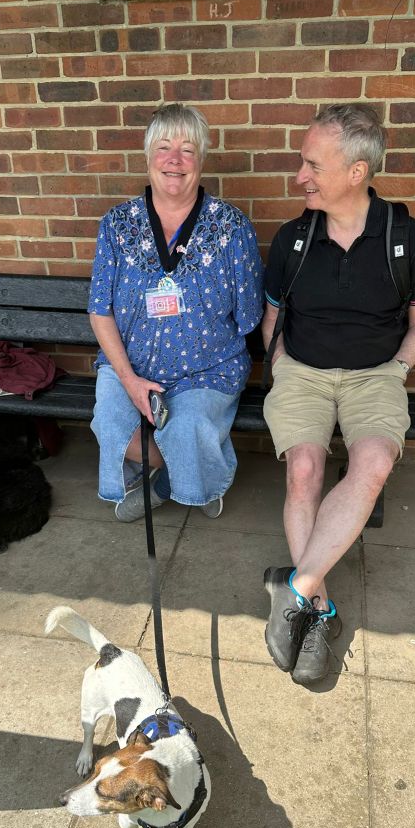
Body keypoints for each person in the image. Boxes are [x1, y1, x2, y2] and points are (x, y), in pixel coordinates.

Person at [261, 103, 415, 686]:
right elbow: (272, 317)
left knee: (373, 462)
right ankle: (319, 610)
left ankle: (296, 594)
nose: (300, 176)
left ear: (357, 171)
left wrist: (395, 370)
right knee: (305, 469)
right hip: (303, 373)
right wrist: (283, 362)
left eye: (313, 163)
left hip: (374, 377)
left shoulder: (405, 238)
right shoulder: (294, 239)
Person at [88, 103, 264, 522]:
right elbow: (100, 310)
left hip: (207, 367)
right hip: (128, 363)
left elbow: (248, 316)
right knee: (113, 429)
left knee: (185, 428)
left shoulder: (232, 226)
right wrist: (130, 380)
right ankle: (194, 468)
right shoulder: (116, 225)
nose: (175, 159)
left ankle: (169, 484)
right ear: (148, 156)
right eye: (164, 147)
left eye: (188, 149)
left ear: (201, 159)